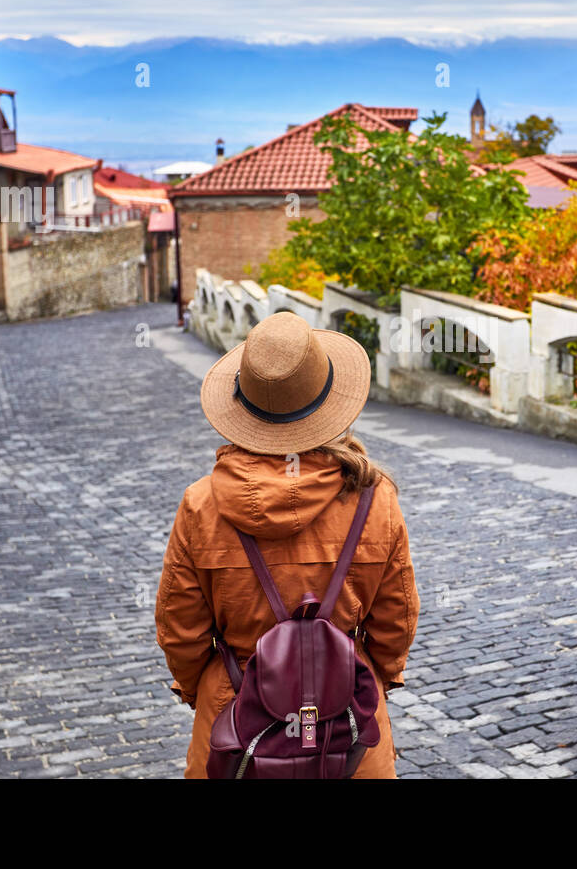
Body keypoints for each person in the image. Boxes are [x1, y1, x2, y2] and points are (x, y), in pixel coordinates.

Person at [155, 311, 419, 778]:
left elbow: (181, 632)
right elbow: (395, 622)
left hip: (235, 733)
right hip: (347, 734)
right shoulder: (374, 499)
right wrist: (352, 674)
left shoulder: (200, 506)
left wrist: (222, 687)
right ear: (327, 399)